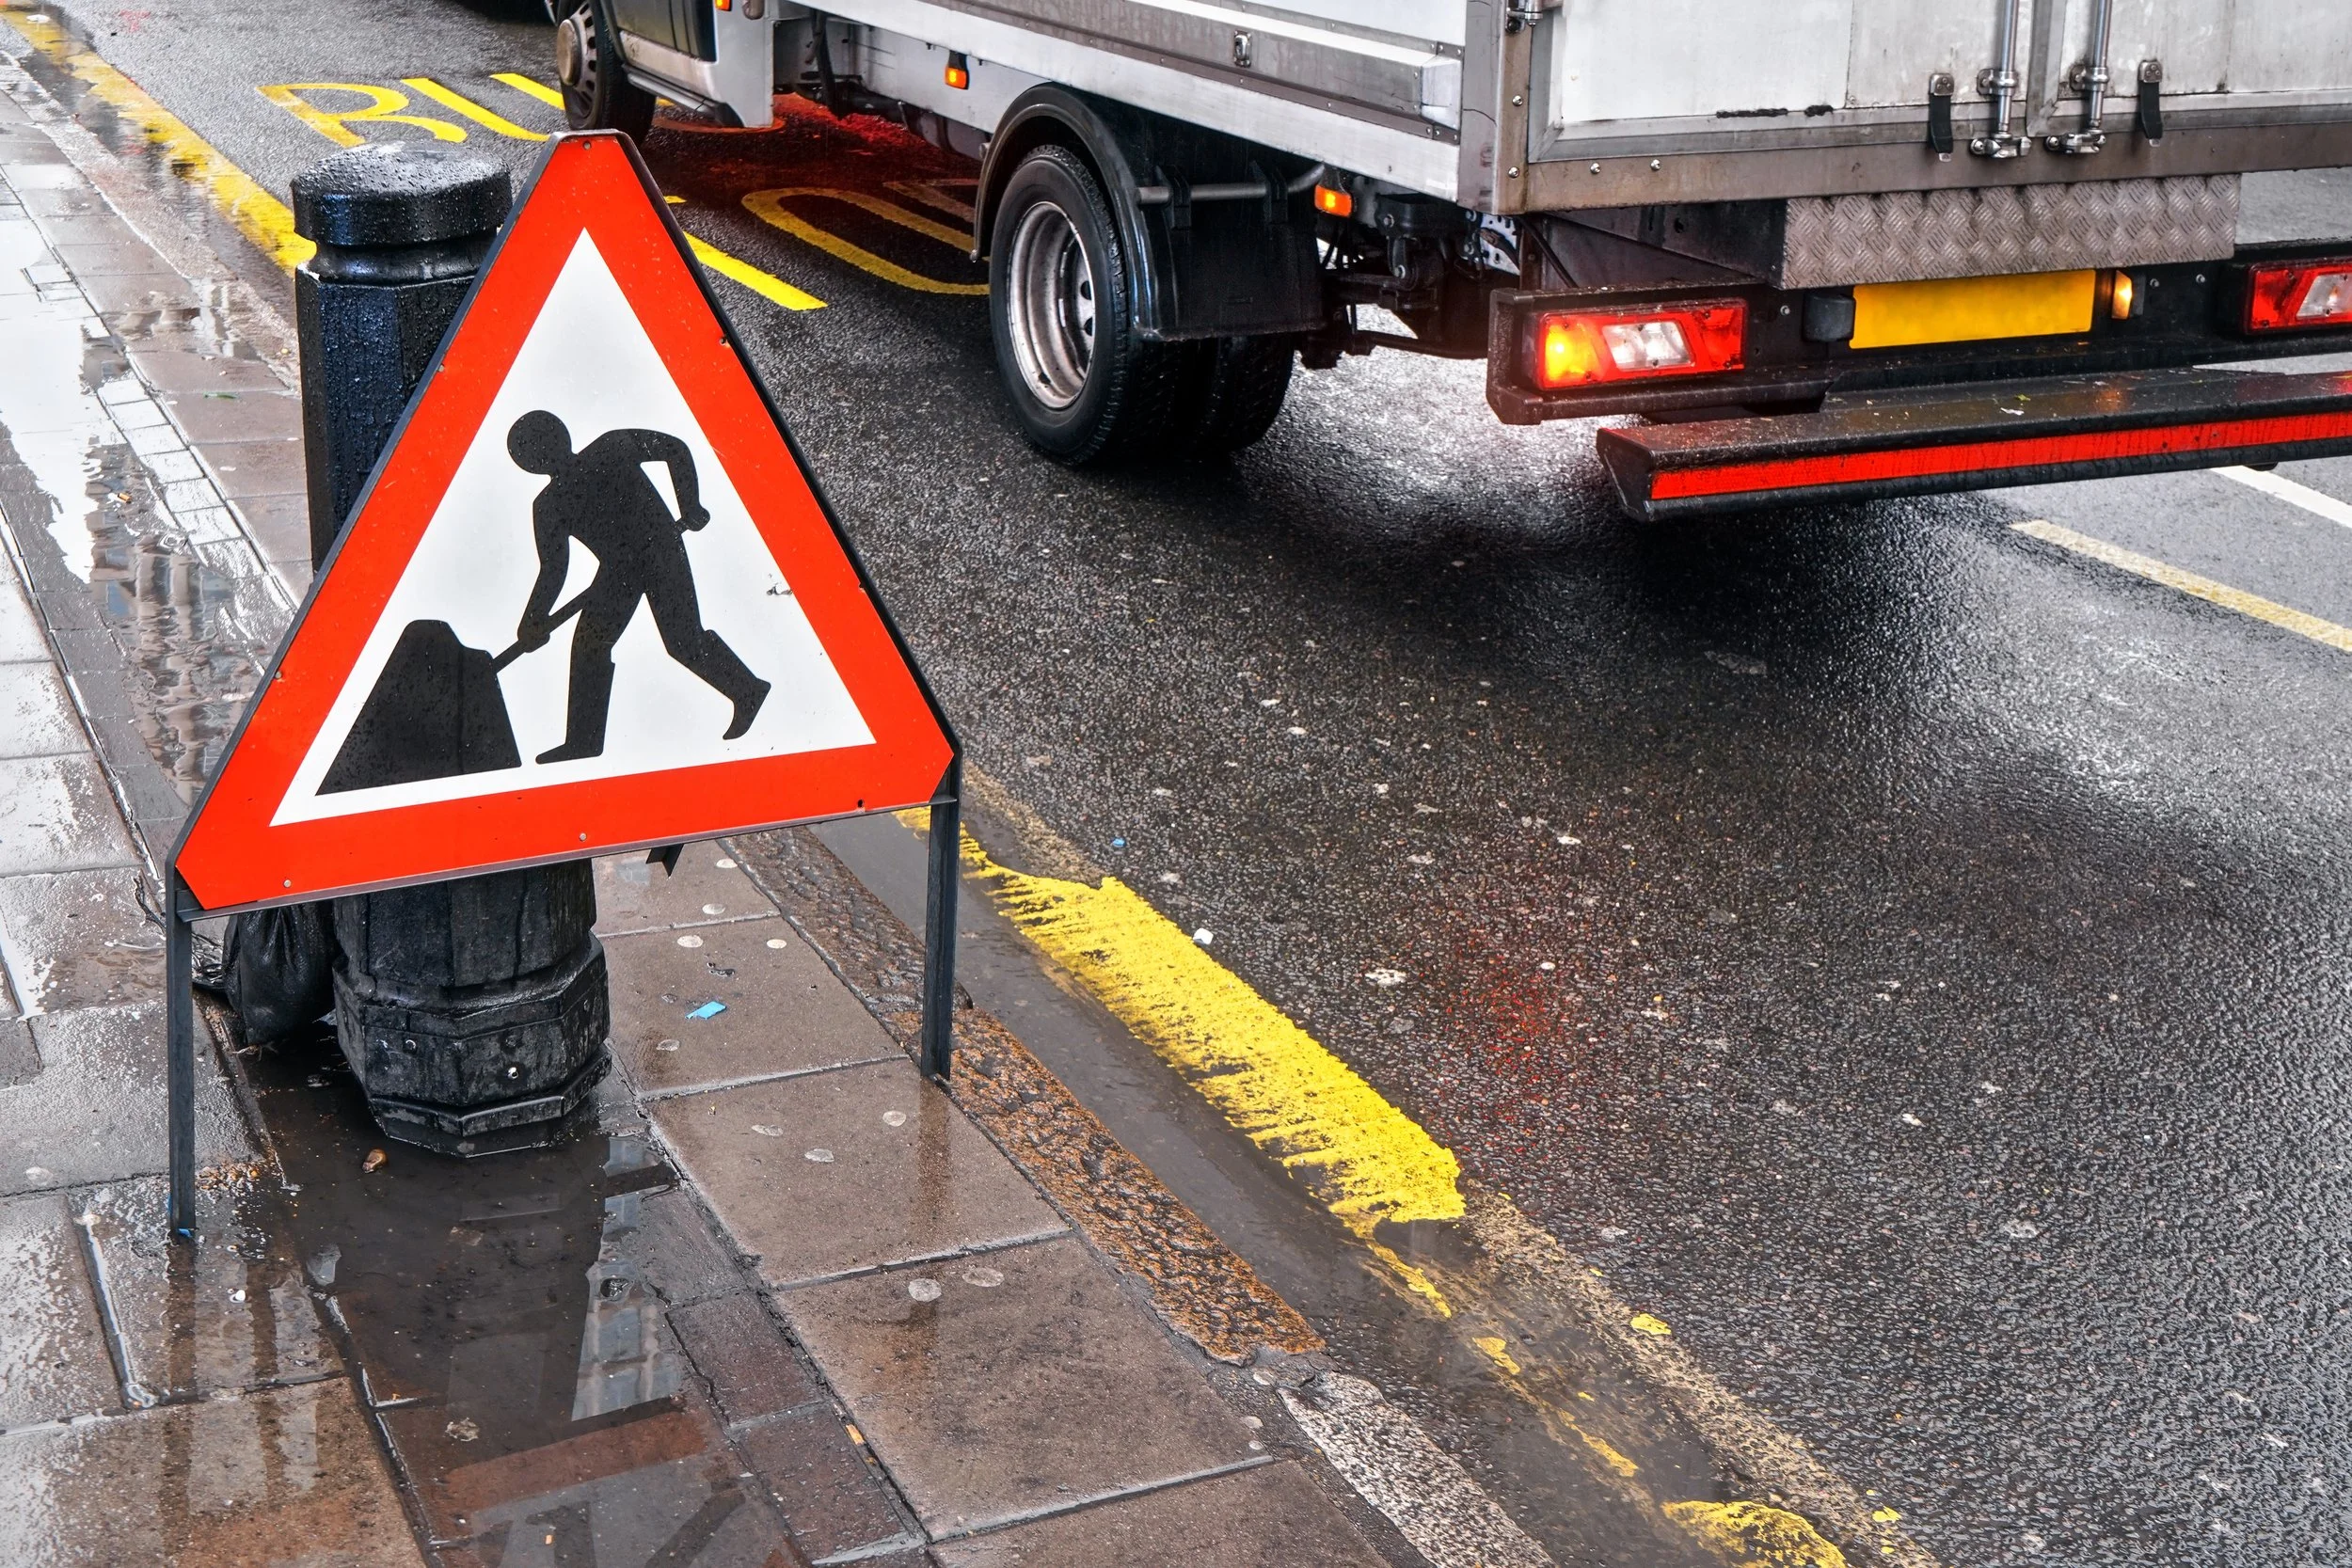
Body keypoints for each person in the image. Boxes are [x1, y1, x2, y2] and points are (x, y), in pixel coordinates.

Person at [506, 410, 769, 764]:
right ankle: (583, 740)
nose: (541, 455)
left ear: (559, 436)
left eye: (541, 445)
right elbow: (554, 568)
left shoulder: (611, 447)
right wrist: (533, 618)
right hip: (617, 572)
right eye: (531, 452)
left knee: (683, 641)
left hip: (660, 550)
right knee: (588, 646)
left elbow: (674, 449)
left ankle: (748, 690)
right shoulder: (548, 505)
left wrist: (689, 504)